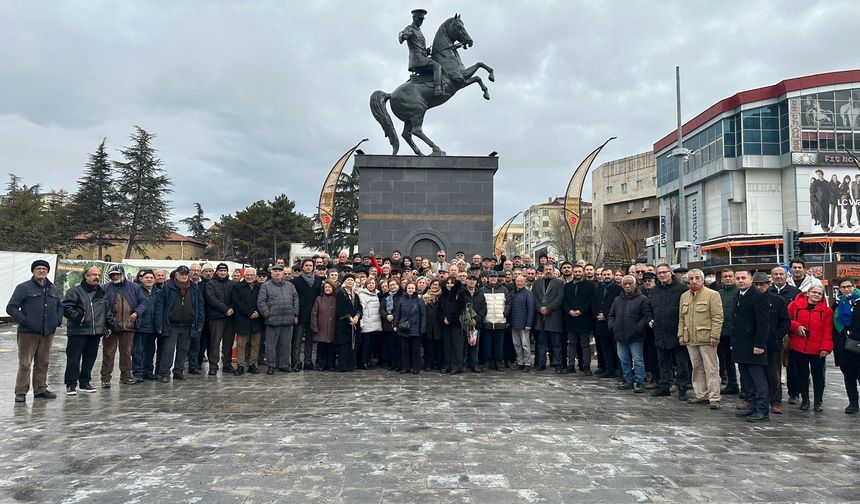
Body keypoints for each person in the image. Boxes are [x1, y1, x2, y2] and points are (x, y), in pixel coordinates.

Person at [8, 259, 63, 403]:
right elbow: (12, 307)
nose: (41, 271)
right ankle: (21, 392)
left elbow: (59, 306)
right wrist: (25, 321)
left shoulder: (52, 288)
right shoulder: (24, 288)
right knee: (25, 363)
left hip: (47, 333)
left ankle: (40, 389)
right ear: (33, 271)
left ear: (47, 271)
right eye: (38, 268)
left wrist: (57, 320)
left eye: (44, 269)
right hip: (28, 333)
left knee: (43, 362)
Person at [62, 266, 115, 395]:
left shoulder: (101, 293)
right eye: (93, 274)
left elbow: (106, 311)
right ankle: (71, 384)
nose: (96, 277)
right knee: (73, 359)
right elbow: (67, 307)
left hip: (95, 332)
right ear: (86, 276)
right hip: (78, 331)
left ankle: (85, 382)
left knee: (90, 359)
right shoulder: (75, 291)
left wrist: (110, 325)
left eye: (98, 275)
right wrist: (79, 317)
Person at [678, 269, 724, 409]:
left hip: (707, 338)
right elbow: (681, 318)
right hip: (690, 338)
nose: (694, 281)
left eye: (697, 278)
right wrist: (681, 334)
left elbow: (718, 317)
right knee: (697, 368)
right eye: (691, 278)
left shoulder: (713, 295)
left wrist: (715, 336)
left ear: (702, 280)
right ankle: (701, 394)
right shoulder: (684, 296)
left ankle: (714, 398)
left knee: (711, 368)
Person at [732, 270, 772, 422]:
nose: (740, 280)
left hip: (754, 346)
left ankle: (762, 410)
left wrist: (760, 344)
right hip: (741, 346)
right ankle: (753, 406)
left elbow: (763, 323)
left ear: (751, 280)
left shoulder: (759, 296)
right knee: (747, 379)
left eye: (743, 278)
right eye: (738, 278)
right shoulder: (738, 295)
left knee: (758, 379)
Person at [787, 285, 833, 412]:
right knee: (802, 375)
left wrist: (826, 348)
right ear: (808, 293)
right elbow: (786, 320)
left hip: (818, 349)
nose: (816, 295)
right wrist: (796, 326)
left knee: (818, 377)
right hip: (798, 347)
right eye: (814, 292)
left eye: (819, 293)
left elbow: (828, 331)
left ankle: (818, 401)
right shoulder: (794, 305)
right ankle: (805, 400)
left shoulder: (827, 311)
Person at [648, 264, 691, 400]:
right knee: (663, 362)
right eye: (659, 273)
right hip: (660, 331)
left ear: (670, 273)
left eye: (664, 272)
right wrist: (650, 319)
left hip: (677, 332)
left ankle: (682, 388)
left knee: (681, 363)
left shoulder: (682, 289)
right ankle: (664, 386)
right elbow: (649, 307)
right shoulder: (654, 291)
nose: (662, 275)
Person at [155, 265, 205, 381]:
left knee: (183, 350)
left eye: (185, 274)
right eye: (181, 274)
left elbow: (200, 307)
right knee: (168, 350)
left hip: (188, 324)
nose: (183, 276)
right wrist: (159, 324)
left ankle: (178, 371)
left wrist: (199, 323)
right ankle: (164, 373)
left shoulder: (194, 288)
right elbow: (160, 307)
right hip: (171, 325)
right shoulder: (168, 287)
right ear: (176, 275)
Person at [101, 264, 148, 387]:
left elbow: (143, 302)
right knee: (108, 353)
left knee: (126, 353)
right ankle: (105, 378)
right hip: (111, 327)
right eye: (112, 275)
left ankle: (126, 376)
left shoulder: (134, 287)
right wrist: (106, 324)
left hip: (128, 326)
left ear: (122, 274)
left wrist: (137, 313)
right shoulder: (105, 288)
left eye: (117, 274)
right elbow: (101, 306)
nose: (115, 277)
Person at [754, 272, 790, 414]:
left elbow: (785, 321)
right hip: (754, 342)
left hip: (773, 343)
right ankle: (755, 398)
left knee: (774, 373)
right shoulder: (749, 299)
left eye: (762, 284)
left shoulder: (778, 300)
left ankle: (776, 401)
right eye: (756, 284)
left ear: (768, 284)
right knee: (755, 373)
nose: (759, 287)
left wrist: (777, 335)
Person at [609, 275, 652, 393]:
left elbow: (646, 316)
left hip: (636, 336)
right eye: (625, 284)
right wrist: (613, 326)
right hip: (620, 335)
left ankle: (640, 381)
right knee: (624, 359)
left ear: (635, 285)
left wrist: (638, 328)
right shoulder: (617, 300)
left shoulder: (642, 299)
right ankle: (628, 380)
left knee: (638, 360)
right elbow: (611, 315)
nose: (627, 286)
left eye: (630, 284)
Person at [258, 264, 300, 374]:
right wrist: (268, 314)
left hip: (287, 319)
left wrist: (295, 314)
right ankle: (271, 365)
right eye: (275, 271)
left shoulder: (290, 286)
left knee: (286, 345)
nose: (277, 273)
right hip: (272, 321)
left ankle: (284, 365)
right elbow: (261, 302)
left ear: (283, 273)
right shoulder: (265, 286)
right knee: (271, 345)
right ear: (271, 273)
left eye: (279, 271)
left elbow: (296, 300)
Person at [563, 264, 595, 375]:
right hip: (571, 319)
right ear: (573, 272)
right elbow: (564, 301)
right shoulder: (567, 286)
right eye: (575, 272)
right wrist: (569, 311)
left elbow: (590, 301)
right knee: (571, 344)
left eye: (579, 271)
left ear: (583, 272)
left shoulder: (590, 285)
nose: (577, 273)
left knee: (584, 344)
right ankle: (571, 365)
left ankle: (586, 366)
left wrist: (581, 311)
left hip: (584, 319)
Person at [532, 263, 565, 372]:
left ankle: (557, 364)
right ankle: (541, 364)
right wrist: (540, 308)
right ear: (543, 270)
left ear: (553, 270)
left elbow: (559, 298)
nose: (548, 271)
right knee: (541, 343)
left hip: (554, 317)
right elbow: (534, 297)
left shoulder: (559, 283)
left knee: (556, 343)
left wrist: (548, 309)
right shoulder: (537, 283)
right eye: (546, 269)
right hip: (540, 317)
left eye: (550, 269)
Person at [231, 268, 263, 375]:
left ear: (255, 276)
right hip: (242, 318)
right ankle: (240, 365)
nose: (250, 277)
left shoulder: (260, 287)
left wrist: (258, 312)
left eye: (252, 275)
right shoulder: (237, 287)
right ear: (244, 275)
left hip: (257, 319)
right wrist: (250, 312)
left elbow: (263, 300)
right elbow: (237, 302)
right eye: (248, 275)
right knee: (241, 344)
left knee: (255, 343)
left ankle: (252, 364)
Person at [292, 258, 322, 371]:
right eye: (306, 265)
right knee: (297, 340)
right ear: (302, 267)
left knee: (310, 340)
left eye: (310, 265)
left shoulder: (318, 280)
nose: (308, 267)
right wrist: (295, 314)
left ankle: (308, 361)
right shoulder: (296, 281)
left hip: (313, 315)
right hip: (300, 314)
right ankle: (296, 362)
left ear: (313, 267)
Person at [205, 263, 235, 375]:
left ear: (227, 272)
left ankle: (227, 364)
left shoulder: (232, 284)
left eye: (224, 270)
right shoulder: (211, 284)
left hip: (230, 318)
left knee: (228, 343)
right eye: (220, 270)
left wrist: (232, 308)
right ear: (216, 272)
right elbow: (211, 299)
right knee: (215, 342)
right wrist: (225, 309)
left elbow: (235, 298)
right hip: (216, 316)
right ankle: (213, 365)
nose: (222, 272)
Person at [593, 268, 622, 379]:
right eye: (604, 274)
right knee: (605, 348)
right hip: (600, 323)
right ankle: (608, 368)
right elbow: (594, 303)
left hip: (612, 323)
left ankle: (618, 370)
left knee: (616, 348)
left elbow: (618, 306)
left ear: (613, 275)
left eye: (608, 274)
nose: (606, 276)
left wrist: (605, 315)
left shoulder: (618, 289)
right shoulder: (598, 289)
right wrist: (597, 314)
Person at [132, 270, 160, 382]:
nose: (149, 279)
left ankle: (148, 371)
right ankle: (137, 372)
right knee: (138, 351)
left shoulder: (158, 292)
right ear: (142, 279)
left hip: (153, 327)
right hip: (140, 326)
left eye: (151, 278)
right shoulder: (137, 291)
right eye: (146, 277)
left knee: (150, 350)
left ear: (154, 280)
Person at [394, 281, 427, 374]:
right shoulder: (402, 299)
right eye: (409, 288)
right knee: (405, 350)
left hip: (415, 329)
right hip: (404, 328)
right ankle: (405, 367)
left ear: (415, 289)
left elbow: (423, 315)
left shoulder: (419, 300)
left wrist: (422, 328)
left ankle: (416, 367)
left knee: (415, 350)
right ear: (406, 289)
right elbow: (398, 313)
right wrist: (396, 324)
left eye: (412, 288)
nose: (410, 290)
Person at [480, 271, 510, 371]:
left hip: (500, 321)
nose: (493, 279)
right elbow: (480, 304)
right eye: (491, 277)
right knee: (487, 344)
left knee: (499, 344)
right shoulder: (482, 290)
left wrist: (505, 313)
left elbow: (509, 303)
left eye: (495, 277)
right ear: (488, 278)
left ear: (497, 278)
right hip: (487, 321)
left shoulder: (504, 289)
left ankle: (498, 362)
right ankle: (487, 362)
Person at [717, 268, 740, 395]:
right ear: (721, 279)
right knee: (727, 359)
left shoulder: (739, 292)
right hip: (722, 332)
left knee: (740, 359)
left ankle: (746, 387)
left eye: (730, 276)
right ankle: (732, 383)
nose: (728, 278)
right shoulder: (718, 293)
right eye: (725, 276)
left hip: (736, 332)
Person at [335, 275, 362, 372]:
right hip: (344, 324)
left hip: (354, 323)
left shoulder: (356, 295)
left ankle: (351, 365)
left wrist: (357, 317)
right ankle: (343, 366)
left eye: (352, 280)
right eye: (348, 280)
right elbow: (340, 308)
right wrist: (349, 318)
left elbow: (359, 307)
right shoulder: (340, 294)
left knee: (352, 345)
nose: (350, 281)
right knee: (344, 346)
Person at [438, 278, 466, 374]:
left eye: (451, 283)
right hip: (445, 324)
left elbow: (460, 309)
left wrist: (450, 319)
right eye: (448, 283)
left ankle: (456, 366)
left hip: (456, 324)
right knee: (446, 345)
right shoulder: (443, 295)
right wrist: (443, 318)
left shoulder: (459, 294)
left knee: (456, 346)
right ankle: (447, 364)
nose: (449, 285)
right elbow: (440, 309)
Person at [509, 275, 536, 372]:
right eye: (518, 281)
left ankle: (527, 363)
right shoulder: (512, 293)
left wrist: (529, 324)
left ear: (524, 282)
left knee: (525, 344)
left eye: (521, 281)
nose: (519, 283)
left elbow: (531, 309)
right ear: (515, 282)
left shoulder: (528, 294)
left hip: (524, 324)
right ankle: (520, 362)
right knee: (516, 344)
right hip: (514, 323)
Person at [840, 286, 860, 414]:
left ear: (854, 287)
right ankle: (853, 403)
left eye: (849, 286)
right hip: (845, 346)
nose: (846, 289)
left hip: (858, 343)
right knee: (849, 376)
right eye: (843, 287)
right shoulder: (838, 302)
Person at [461, 274, 487, 373]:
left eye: (474, 280)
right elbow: (460, 307)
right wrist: (466, 319)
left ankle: (474, 365)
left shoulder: (480, 293)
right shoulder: (462, 293)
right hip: (464, 324)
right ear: (466, 281)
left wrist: (477, 319)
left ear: (476, 282)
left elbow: (483, 308)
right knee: (464, 346)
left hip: (476, 324)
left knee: (474, 345)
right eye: (470, 280)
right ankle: (463, 364)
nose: (471, 282)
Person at [311, 280, 338, 371]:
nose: (327, 289)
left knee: (331, 347)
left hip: (333, 327)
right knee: (321, 347)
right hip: (321, 327)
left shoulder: (336, 299)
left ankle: (331, 365)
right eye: (326, 287)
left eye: (329, 287)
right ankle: (322, 365)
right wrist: (315, 326)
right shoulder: (319, 299)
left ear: (333, 288)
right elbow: (314, 313)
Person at [357, 277, 383, 370]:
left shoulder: (377, 294)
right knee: (365, 345)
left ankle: (369, 361)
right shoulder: (362, 294)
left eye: (372, 283)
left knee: (371, 344)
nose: (371, 285)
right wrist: (361, 322)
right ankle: (364, 362)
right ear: (366, 284)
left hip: (375, 322)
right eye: (369, 283)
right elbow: (361, 309)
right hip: (367, 322)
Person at [422, 279, 443, 370]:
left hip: (439, 325)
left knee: (439, 347)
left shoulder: (442, 297)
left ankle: (439, 363)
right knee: (428, 346)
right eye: (433, 284)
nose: (435, 286)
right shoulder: (424, 297)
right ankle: (428, 364)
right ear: (430, 286)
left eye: (437, 285)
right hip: (428, 325)